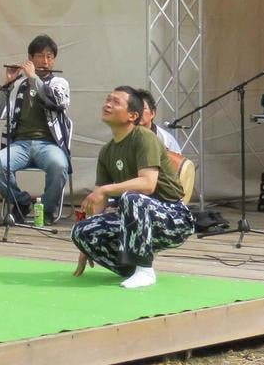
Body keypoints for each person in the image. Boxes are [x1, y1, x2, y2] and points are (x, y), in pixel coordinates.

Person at [71, 87, 194, 289]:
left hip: (174, 219)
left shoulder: (144, 137)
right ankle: (131, 268)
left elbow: (147, 184)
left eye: (116, 102)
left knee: (132, 197)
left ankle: (145, 270)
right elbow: (99, 202)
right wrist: (85, 246)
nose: (107, 104)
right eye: (107, 99)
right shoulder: (106, 151)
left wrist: (105, 189)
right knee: (81, 230)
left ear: (132, 116)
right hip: (133, 220)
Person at [0, 35, 72, 224]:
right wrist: (7, 85)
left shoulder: (59, 83)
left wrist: (33, 77)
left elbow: (56, 102)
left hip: (48, 144)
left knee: (59, 166)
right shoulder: (19, 84)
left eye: (50, 56)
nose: (45, 61)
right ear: (30, 58)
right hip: (21, 144)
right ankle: (21, 203)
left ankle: (47, 209)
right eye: (40, 56)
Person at [137, 89, 182, 155]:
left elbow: (179, 164)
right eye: (134, 109)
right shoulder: (125, 136)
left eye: (142, 108)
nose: (138, 112)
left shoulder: (166, 140)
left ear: (152, 113)